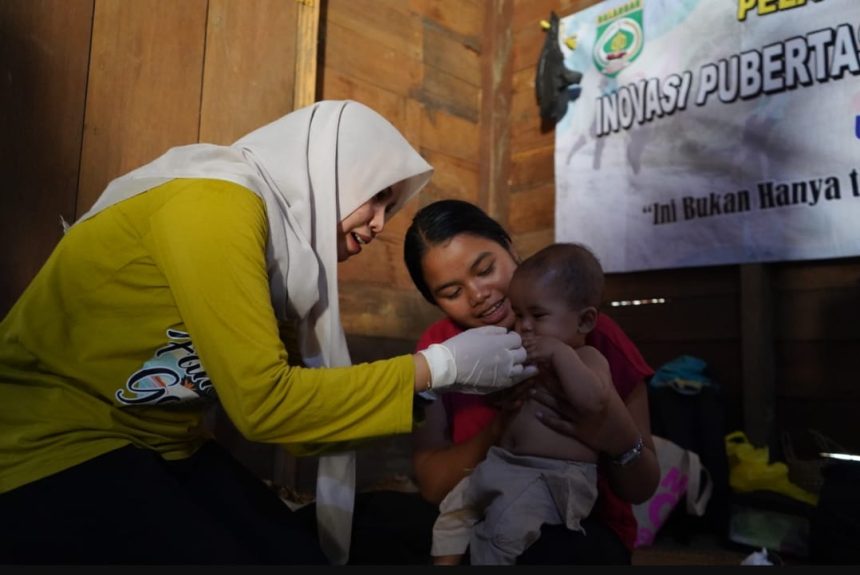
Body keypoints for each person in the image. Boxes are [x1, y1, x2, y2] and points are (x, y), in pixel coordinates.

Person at [0, 101, 535, 565]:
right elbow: (265, 405)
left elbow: (300, 423)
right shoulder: (214, 204)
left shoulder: (282, 265)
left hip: (162, 440)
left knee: (294, 554)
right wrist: (440, 366)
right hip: (53, 437)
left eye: (389, 208)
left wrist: (427, 385)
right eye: (375, 196)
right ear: (331, 169)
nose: (378, 223)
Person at [403, 199, 661, 565]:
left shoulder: (588, 334)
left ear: (511, 247)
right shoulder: (441, 350)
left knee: (539, 549)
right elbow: (432, 486)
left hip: (581, 526)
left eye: (485, 268)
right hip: (483, 502)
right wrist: (500, 428)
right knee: (377, 521)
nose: (478, 295)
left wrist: (608, 430)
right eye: (451, 292)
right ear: (434, 300)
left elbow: (642, 488)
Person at [431, 243, 614, 565]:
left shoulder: (587, 357)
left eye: (538, 315)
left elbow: (594, 402)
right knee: (453, 509)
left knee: (501, 535)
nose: (524, 326)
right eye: (519, 314)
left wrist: (560, 355)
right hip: (502, 463)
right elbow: (502, 402)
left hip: (549, 477)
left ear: (584, 322)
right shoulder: (527, 355)